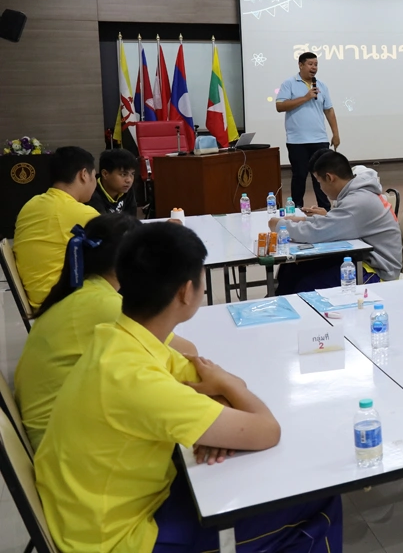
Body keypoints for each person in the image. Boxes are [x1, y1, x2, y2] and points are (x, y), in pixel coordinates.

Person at [33, 222, 341, 553]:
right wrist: (225, 393)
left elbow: (205, 380)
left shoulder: (117, 338)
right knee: (319, 498)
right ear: (186, 291)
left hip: (95, 511)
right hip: (122, 539)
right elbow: (268, 430)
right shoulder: (139, 381)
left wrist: (220, 418)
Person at [14, 214, 197, 450]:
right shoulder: (104, 304)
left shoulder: (83, 290)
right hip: (63, 441)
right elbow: (186, 353)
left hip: (54, 426)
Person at [269, 151, 403, 293]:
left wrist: (279, 226)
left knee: (306, 286)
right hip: (363, 258)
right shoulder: (357, 193)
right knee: (293, 267)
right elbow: (333, 222)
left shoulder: (357, 201)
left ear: (330, 178)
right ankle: (277, 301)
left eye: (319, 182)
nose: (320, 188)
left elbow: (318, 232)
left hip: (377, 271)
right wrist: (304, 219)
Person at [13, 146, 100, 312]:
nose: (95, 183)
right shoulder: (79, 212)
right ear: (83, 175)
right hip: (60, 302)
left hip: (39, 299)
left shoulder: (30, 205)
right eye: (94, 176)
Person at [275, 51, 340, 211]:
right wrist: (305, 97)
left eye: (316, 64)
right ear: (300, 65)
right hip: (297, 141)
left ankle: (325, 209)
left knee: (322, 176)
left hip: (320, 139)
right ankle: (296, 208)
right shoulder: (289, 83)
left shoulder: (322, 85)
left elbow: (329, 110)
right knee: (299, 176)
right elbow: (280, 106)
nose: (314, 67)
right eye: (310, 64)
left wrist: (336, 133)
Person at [87, 148, 139, 217]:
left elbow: (132, 219)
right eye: (123, 174)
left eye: (132, 174)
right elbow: (101, 222)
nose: (129, 180)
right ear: (105, 174)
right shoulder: (90, 193)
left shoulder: (126, 189)